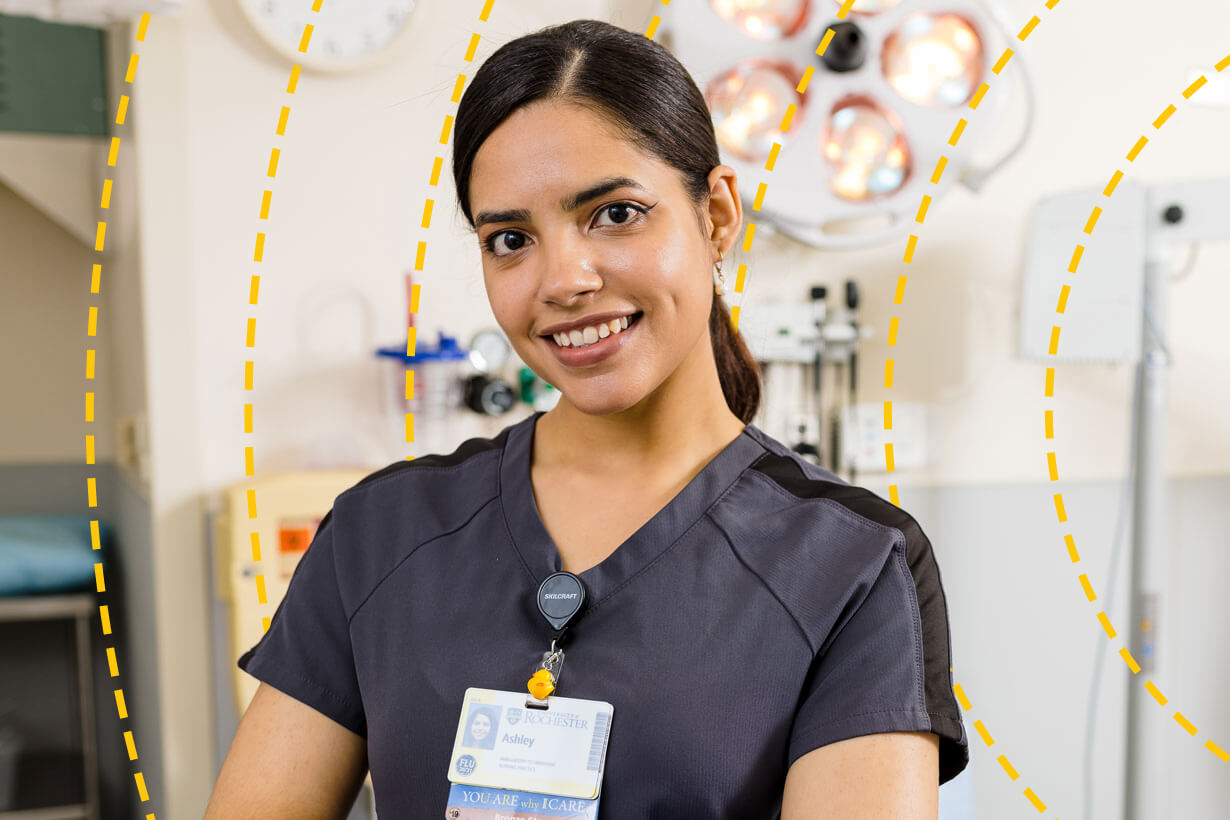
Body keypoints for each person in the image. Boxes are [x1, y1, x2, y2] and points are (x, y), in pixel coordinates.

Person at [206, 18, 969, 820]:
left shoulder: (850, 565)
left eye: (614, 214)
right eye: (510, 238)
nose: (563, 279)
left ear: (714, 216)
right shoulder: (378, 535)